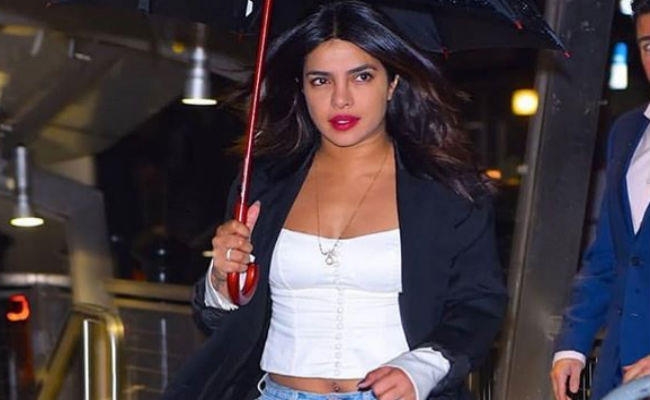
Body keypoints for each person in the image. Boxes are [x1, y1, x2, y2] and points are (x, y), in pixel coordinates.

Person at [163, 2, 506, 399]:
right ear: (302, 88)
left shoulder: (446, 189)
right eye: (321, 81)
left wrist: (421, 368)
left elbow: (479, 305)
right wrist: (221, 281)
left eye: (361, 76)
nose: (341, 99)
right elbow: (219, 321)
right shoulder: (264, 183)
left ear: (392, 83)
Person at [550, 1, 650, 399]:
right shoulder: (627, 133)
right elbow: (608, 255)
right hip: (618, 373)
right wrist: (573, 344)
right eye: (649, 45)